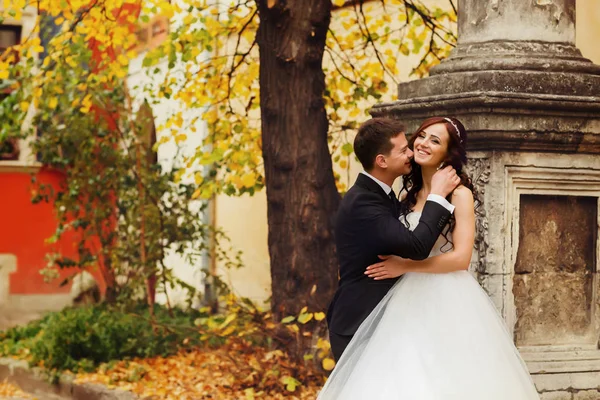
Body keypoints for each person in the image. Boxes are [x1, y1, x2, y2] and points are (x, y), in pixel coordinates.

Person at [318, 117, 539, 399]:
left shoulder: (459, 195)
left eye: (435, 140)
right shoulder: (404, 196)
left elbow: (461, 258)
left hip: (443, 295)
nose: (420, 144)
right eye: (420, 136)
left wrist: (406, 265)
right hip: (400, 299)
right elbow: (407, 240)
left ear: (448, 154)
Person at [326, 117, 460, 362]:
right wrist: (438, 196)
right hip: (358, 324)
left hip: (391, 319)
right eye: (403, 150)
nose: (412, 152)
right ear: (382, 161)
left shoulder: (385, 195)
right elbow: (417, 246)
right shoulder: (364, 203)